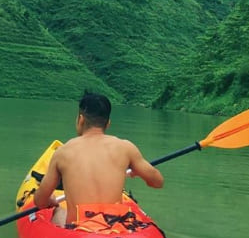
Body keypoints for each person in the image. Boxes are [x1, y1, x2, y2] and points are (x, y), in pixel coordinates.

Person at [33, 91, 164, 226]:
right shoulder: (126, 148)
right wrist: (137, 171)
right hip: (115, 227)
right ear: (108, 124)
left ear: (81, 119)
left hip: (80, 230)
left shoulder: (63, 152)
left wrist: (51, 200)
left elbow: (40, 201)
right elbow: (158, 182)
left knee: (59, 211)